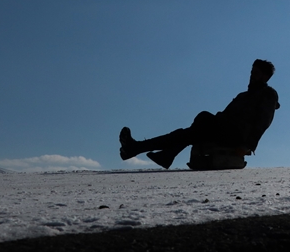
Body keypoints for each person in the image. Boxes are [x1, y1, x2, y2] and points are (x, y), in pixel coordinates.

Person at [119, 59, 280, 170]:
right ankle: (151, 151)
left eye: (256, 73)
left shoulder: (268, 94)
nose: (252, 75)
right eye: (252, 71)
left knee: (200, 121)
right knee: (186, 133)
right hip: (225, 131)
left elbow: (263, 122)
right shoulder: (243, 96)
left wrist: (248, 146)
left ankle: (155, 152)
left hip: (237, 137)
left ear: (265, 77)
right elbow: (226, 115)